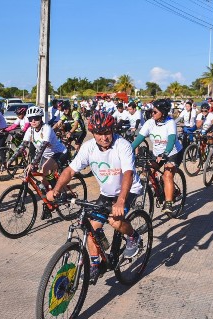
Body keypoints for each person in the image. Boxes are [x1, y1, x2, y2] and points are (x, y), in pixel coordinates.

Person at [46, 110, 143, 280]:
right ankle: (95, 262)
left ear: (112, 130)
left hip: (128, 189)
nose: (104, 137)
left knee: (114, 219)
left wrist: (121, 201)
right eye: (99, 133)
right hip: (107, 192)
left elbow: (128, 173)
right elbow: (70, 170)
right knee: (90, 227)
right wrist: (57, 189)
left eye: (107, 132)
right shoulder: (88, 147)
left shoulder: (123, 145)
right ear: (93, 133)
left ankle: (134, 237)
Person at [8, 106, 68, 219]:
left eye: (35, 118)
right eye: (30, 119)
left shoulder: (47, 129)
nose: (33, 121)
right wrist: (10, 160)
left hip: (60, 153)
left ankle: (59, 193)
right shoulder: (30, 130)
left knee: (45, 170)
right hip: (46, 156)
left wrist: (33, 164)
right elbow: (22, 146)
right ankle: (49, 203)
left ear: (41, 118)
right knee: (43, 182)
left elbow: (42, 147)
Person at [131, 99, 182, 214]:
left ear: (163, 113)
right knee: (147, 171)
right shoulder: (150, 122)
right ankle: (159, 188)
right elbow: (139, 139)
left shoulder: (170, 123)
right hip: (157, 153)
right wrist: (128, 150)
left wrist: (165, 153)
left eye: (155, 112)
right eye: (151, 111)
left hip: (173, 152)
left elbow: (172, 140)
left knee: (167, 175)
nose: (152, 113)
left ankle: (168, 203)